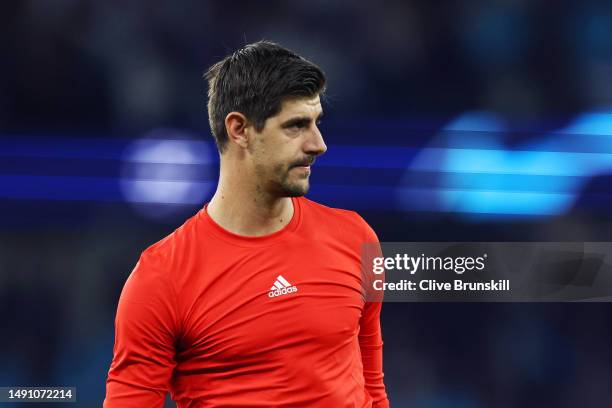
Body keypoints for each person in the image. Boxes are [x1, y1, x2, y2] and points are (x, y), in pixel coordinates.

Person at [104, 40, 389, 407]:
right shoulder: (161, 278)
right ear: (239, 129)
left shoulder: (356, 238)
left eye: (316, 122)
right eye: (296, 126)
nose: (318, 144)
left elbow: (373, 390)